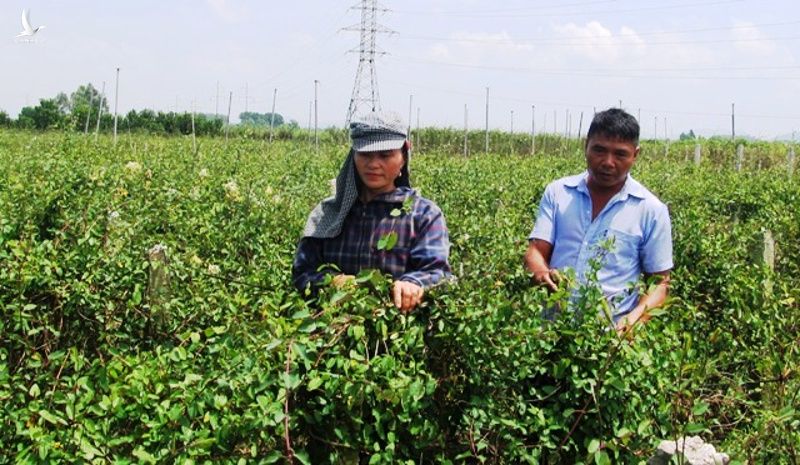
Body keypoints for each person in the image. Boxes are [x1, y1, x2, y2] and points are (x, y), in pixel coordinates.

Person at [524, 108, 673, 332]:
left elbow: (660, 283)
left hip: (609, 339)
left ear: (636, 155)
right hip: (551, 332)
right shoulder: (558, 193)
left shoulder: (651, 210)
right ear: (586, 146)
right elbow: (536, 250)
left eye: (620, 154)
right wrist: (541, 272)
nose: (608, 162)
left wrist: (634, 320)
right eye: (599, 150)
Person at [293, 110, 451, 312]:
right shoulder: (328, 213)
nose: (374, 164)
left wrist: (412, 283)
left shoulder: (423, 214)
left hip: (396, 333)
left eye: (385, 155)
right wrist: (331, 282)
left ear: (404, 155)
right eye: (365, 154)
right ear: (353, 156)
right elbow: (301, 273)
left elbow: (437, 272)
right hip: (328, 330)